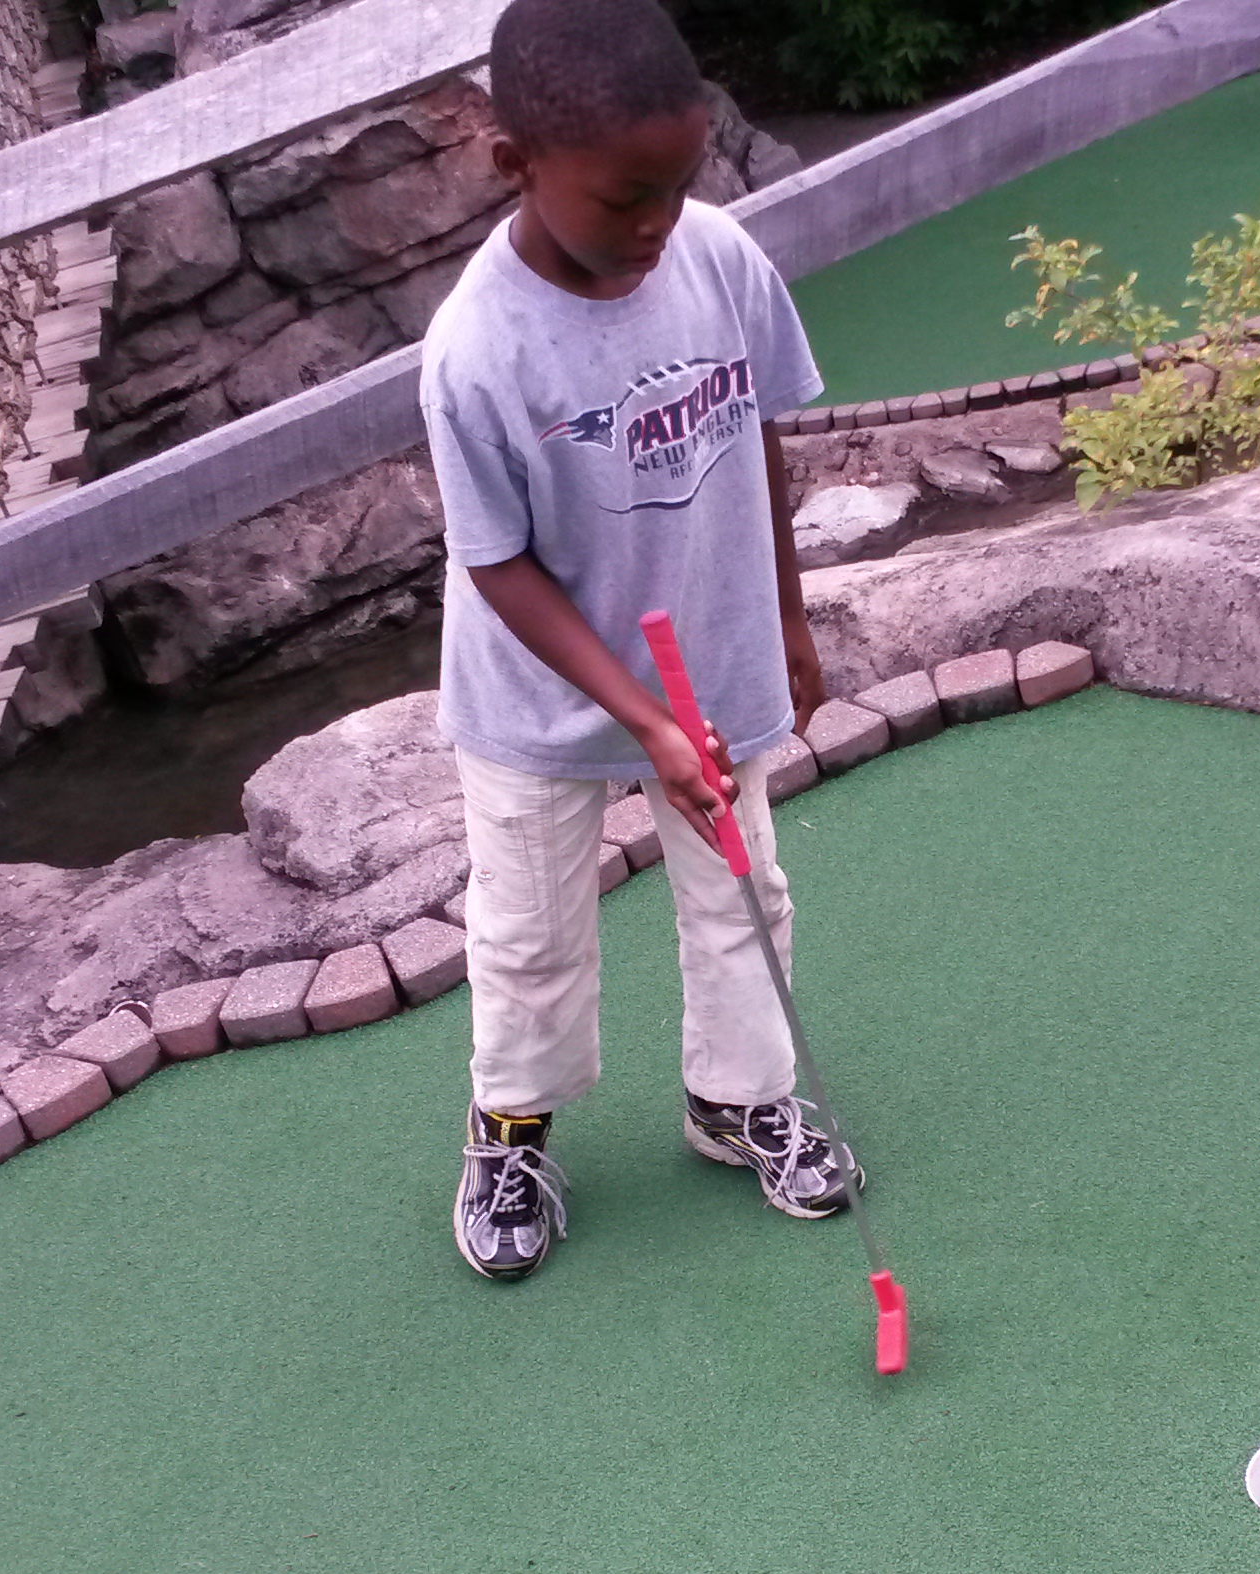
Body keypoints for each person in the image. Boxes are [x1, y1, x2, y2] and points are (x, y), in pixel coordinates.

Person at [418, 0, 855, 1280]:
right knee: (529, 932)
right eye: (624, 199)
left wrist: (786, 617)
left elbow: (760, 432)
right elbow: (497, 564)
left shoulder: (717, 258)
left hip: (708, 654)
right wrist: (641, 718)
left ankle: (737, 1098)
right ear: (516, 164)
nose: (659, 222)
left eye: (678, 184)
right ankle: (510, 1130)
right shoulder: (477, 351)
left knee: (743, 888)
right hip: (536, 699)